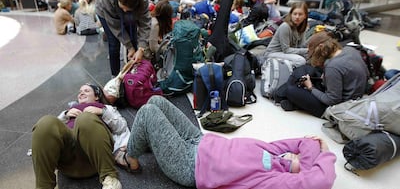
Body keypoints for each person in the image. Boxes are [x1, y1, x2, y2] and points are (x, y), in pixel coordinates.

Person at [121, 95, 336, 188]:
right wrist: (306, 156)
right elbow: (305, 142)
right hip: (199, 141)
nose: (294, 155)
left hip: (190, 166)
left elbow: (320, 182)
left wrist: (324, 154)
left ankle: (130, 158)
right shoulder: (273, 153)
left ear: (301, 173)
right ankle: (150, 142)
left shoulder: (272, 180)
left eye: (300, 160)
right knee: (157, 102)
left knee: (148, 112)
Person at [31, 84, 134, 189]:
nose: (81, 93)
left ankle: (110, 179)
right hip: (68, 159)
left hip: (94, 159)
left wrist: (102, 112)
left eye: (86, 91)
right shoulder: (69, 111)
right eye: (80, 91)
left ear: (97, 96)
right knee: (46, 122)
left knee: (85, 118)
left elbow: (121, 127)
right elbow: (48, 133)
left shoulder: (106, 108)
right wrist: (66, 115)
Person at [282, 31, 369, 117]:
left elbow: (332, 100)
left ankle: (291, 101)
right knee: (309, 73)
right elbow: (366, 74)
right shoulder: (350, 50)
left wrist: (310, 88)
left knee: (291, 91)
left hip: (338, 108)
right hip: (354, 97)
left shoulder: (332, 67)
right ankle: (294, 103)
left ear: (321, 47)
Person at [95, 0, 151, 77]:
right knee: (114, 43)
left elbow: (145, 22)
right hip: (104, 10)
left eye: (128, 9)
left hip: (129, 5)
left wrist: (141, 48)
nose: (125, 11)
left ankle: (134, 74)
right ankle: (115, 77)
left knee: (133, 37)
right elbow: (115, 26)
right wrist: (129, 47)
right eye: (123, 7)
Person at [263, 1, 309, 67]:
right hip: (273, 53)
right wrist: (307, 50)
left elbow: (301, 46)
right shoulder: (285, 26)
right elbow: (286, 50)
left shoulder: (302, 27)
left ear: (305, 16)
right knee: (301, 61)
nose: (297, 17)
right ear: (291, 14)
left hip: (287, 54)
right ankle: (271, 66)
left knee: (310, 58)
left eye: (300, 14)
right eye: (295, 14)